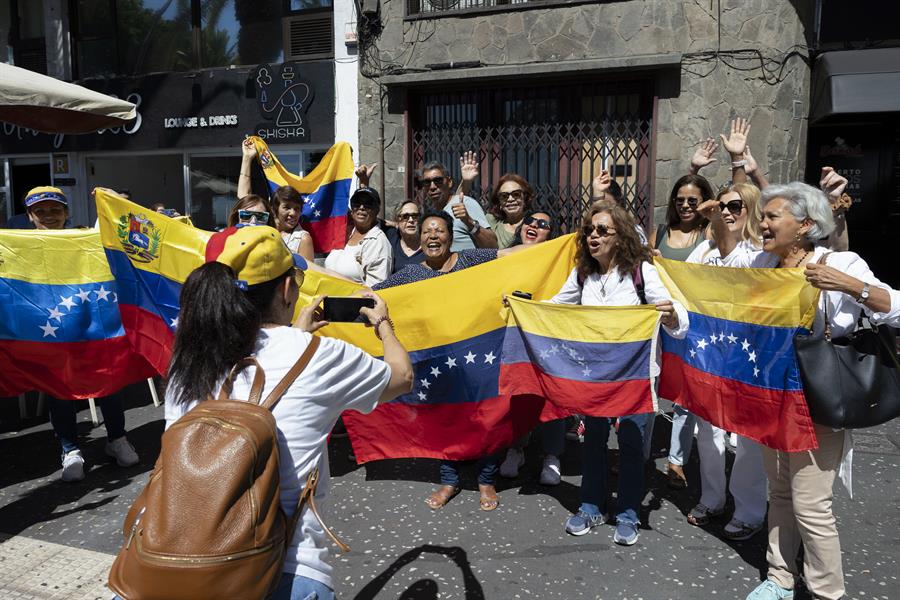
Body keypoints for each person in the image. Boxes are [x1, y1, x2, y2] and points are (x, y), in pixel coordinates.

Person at [164, 225, 413, 600]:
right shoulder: (316, 354)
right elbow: (401, 377)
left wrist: (294, 332)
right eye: (295, 277)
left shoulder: (189, 358)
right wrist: (383, 324)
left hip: (179, 562)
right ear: (285, 289)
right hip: (284, 568)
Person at [705, 183, 899, 600]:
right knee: (779, 493)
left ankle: (827, 591)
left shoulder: (840, 261)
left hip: (818, 400)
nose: (763, 223)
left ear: (806, 225)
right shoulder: (761, 262)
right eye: (764, 216)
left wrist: (848, 285)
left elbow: (893, 305)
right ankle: (779, 577)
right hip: (772, 397)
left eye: (772, 216)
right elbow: (722, 292)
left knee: (811, 507)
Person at [553, 201, 688, 546]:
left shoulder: (642, 272)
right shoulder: (582, 273)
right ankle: (590, 506)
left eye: (602, 230)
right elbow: (556, 306)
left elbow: (678, 318)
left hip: (636, 374)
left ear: (621, 235)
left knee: (630, 442)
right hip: (596, 373)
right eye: (589, 230)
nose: (593, 236)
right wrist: (522, 308)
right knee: (593, 439)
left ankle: (628, 512)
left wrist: (670, 315)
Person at [373, 209, 522, 510]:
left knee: (487, 416)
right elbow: (372, 294)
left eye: (439, 231)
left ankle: (486, 480)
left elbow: (512, 256)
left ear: (451, 237)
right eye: (427, 232)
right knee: (445, 419)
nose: (432, 236)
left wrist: (556, 248)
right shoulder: (412, 274)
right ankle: (449, 480)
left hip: (479, 356)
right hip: (440, 361)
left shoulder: (470, 261)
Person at [23, 186, 139, 481]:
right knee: (59, 388)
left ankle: (117, 439)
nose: (49, 216)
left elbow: (112, 236)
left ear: (66, 213)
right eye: (41, 211)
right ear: (30, 216)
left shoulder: (84, 237)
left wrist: (111, 202)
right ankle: (70, 450)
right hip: (50, 329)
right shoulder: (19, 247)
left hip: (90, 324)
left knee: (108, 380)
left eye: (55, 210)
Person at [681, 183, 768, 541]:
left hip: (750, 355)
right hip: (710, 351)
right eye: (723, 206)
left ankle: (749, 510)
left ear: (751, 209)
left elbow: (736, 262)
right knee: (708, 430)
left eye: (736, 206)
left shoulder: (759, 251)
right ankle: (712, 498)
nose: (728, 212)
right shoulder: (704, 249)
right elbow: (680, 279)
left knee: (748, 436)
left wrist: (716, 220)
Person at [649, 173, 713, 489]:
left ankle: (676, 460)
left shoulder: (709, 234)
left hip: (693, 324)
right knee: (649, 385)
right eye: (680, 200)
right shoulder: (660, 232)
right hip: (658, 321)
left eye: (693, 200)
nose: (686, 205)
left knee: (685, 394)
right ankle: (640, 452)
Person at [239, 137, 315, 262]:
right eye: (287, 207)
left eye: (297, 209)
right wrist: (247, 158)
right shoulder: (263, 225)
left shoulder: (302, 238)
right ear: (274, 209)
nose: (293, 213)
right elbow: (244, 198)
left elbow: (309, 276)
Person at [418, 161, 497, 251]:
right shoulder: (432, 214)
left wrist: (469, 221)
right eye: (427, 182)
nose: (432, 187)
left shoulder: (466, 204)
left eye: (438, 181)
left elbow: (493, 245)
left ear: (449, 182)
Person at [323, 188, 392, 287]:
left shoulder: (378, 243)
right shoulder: (344, 233)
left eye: (368, 203)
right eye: (357, 203)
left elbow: (375, 290)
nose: (361, 207)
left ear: (377, 210)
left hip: (353, 301)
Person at [485, 174, 534, 250]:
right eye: (504, 196)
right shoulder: (491, 222)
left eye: (516, 194)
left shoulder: (534, 224)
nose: (510, 199)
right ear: (499, 202)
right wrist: (465, 183)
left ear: (525, 198)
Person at [384, 200, 425, 274]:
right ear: (397, 219)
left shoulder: (429, 242)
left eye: (415, 216)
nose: (411, 220)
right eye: (405, 216)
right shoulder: (391, 236)